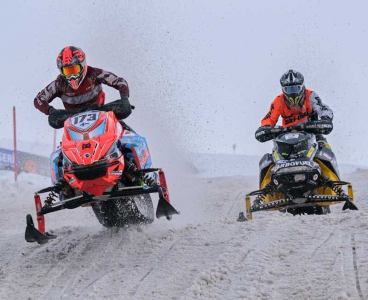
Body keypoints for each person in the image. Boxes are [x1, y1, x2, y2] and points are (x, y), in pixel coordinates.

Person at [34, 46, 132, 129]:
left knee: (126, 133)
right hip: (74, 124)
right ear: (61, 71)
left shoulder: (94, 73)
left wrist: (124, 97)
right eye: (67, 71)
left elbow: (119, 81)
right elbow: (38, 99)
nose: (71, 75)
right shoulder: (59, 83)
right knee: (62, 149)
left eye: (74, 69)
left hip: (102, 115)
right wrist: (51, 110)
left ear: (82, 65)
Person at [255, 69, 333, 148]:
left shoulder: (310, 95)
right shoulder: (278, 101)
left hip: (312, 133)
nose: (292, 93)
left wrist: (325, 118)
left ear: (302, 87)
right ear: (283, 89)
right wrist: (266, 127)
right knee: (273, 154)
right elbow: (269, 118)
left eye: (295, 88)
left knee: (324, 148)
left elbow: (323, 108)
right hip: (287, 137)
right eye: (288, 89)